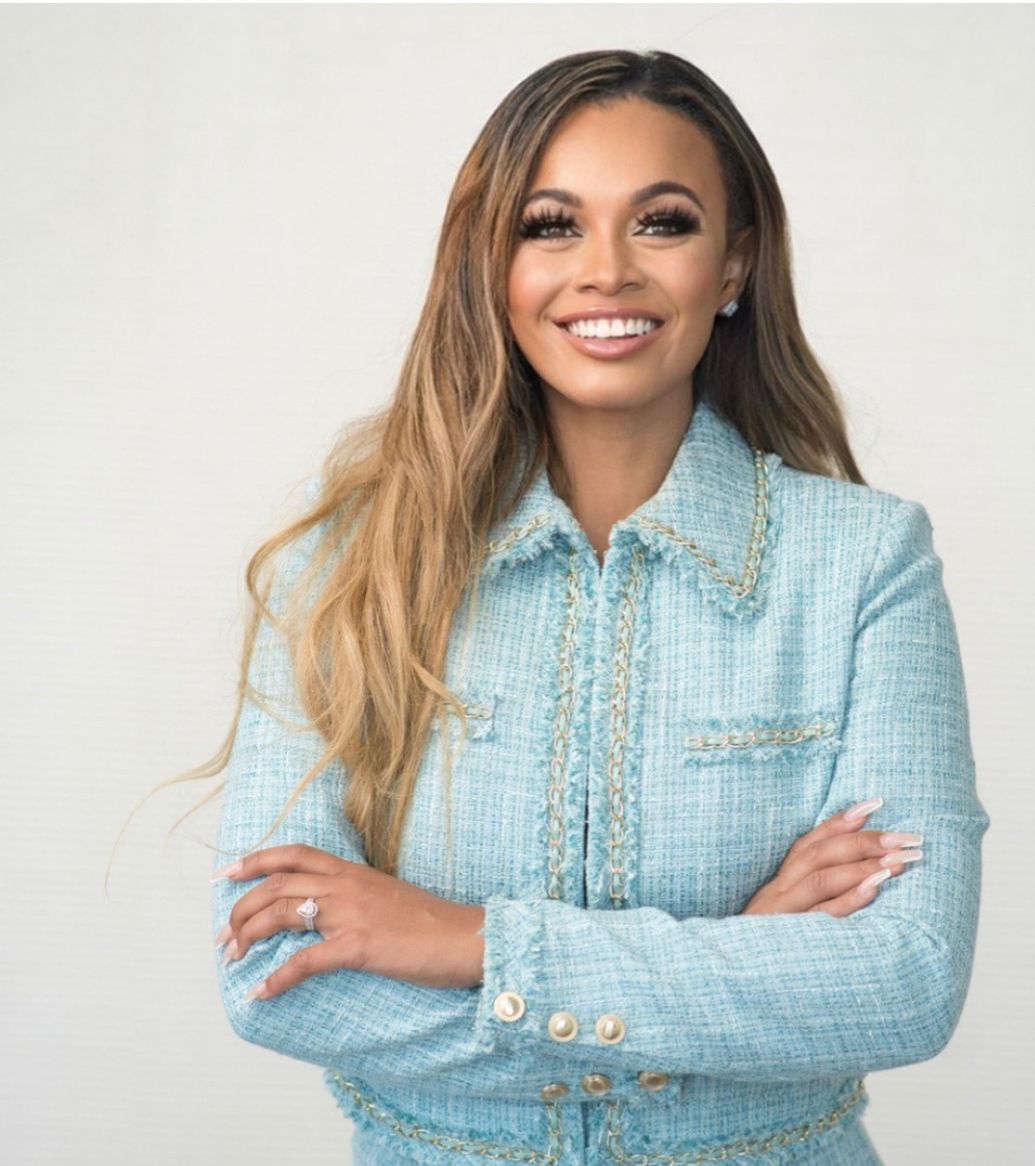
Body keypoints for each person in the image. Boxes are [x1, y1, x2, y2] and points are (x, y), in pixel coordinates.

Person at [205, 48, 989, 1166]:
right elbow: (277, 978)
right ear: (493, 264)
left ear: (735, 262)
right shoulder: (340, 570)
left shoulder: (865, 563)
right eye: (552, 226)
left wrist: (469, 944)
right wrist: (741, 962)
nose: (607, 271)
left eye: (662, 223)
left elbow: (906, 980)